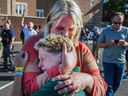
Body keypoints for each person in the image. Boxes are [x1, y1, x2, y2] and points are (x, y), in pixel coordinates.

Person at [11, 0, 107, 96]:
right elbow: (27, 90)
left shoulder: (81, 49)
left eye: (71, 29)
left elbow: (102, 88)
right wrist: (62, 70)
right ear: (49, 25)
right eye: (60, 28)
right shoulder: (34, 44)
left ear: (77, 29)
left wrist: (86, 80)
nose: (65, 34)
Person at [97, 12, 128, 96]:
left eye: (120, 23)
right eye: (116, 22)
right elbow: (98, 45)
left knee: (117, 84)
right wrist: (109, 43)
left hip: (121, 61)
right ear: (112, 20)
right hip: (108, 61)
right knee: (109, 86)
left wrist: (125, 44)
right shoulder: (105, 31)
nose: (118, 25)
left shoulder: (126, 30)